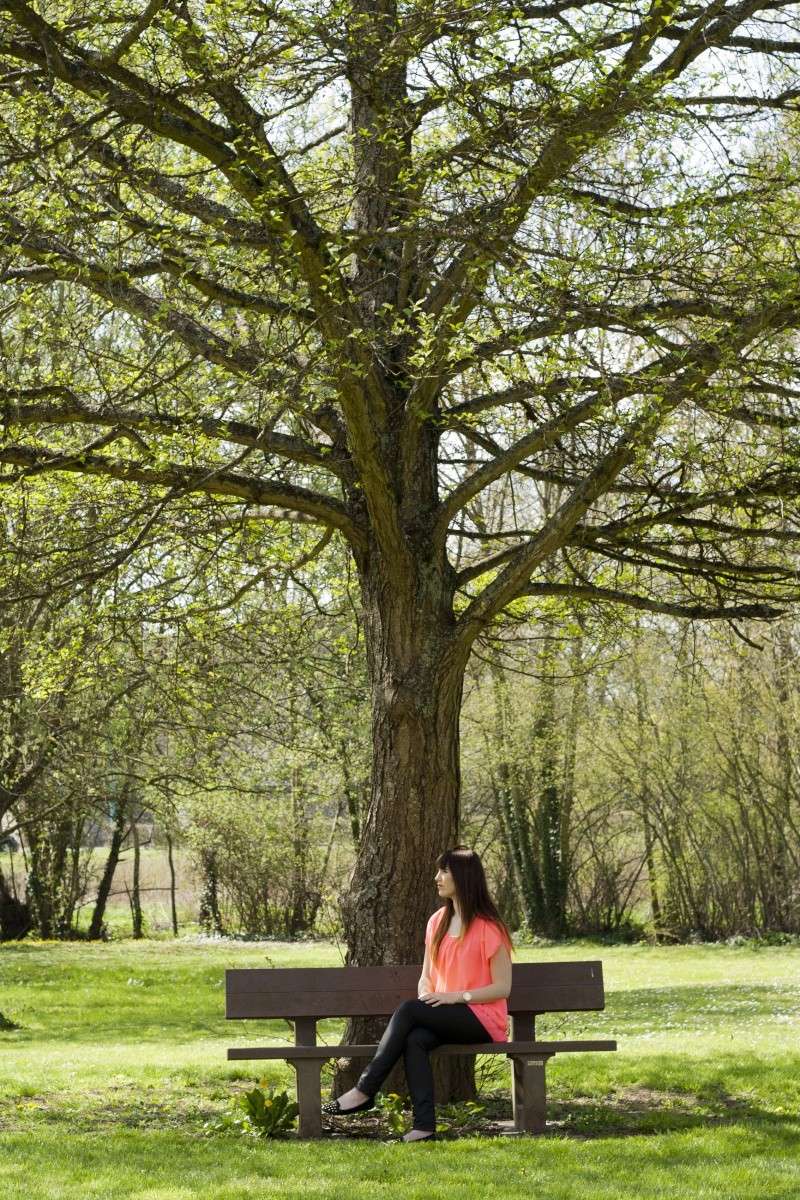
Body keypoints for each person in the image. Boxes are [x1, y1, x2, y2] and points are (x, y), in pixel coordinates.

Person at [323, 845, 513, 1141]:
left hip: (483, 1018)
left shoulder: (489, 928)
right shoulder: (436, 922)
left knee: (409, 1011)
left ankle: (364, 1090)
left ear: (463, 877)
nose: (437, 877)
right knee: (415, 1039)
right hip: (446, 1015)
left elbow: (503, 987)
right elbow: (427, 976)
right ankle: (424, 1126)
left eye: (444, 871)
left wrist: (456, 996)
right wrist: (428, 992)